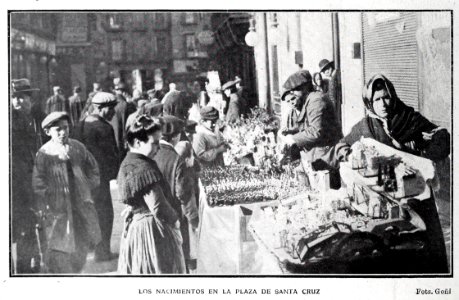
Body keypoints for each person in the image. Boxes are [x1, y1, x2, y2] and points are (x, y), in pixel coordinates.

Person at [327, 74, 450, 273]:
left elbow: (442, 137)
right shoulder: (365, 127)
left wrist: (424, 156)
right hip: (388, 198)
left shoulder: (408, 118)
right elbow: (341, 146)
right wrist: (351, 153)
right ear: (369, 102)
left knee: (426, 244)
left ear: (392, 97)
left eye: (386, 97)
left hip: (416, 193)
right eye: (377, 99)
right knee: (397, 245)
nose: (383, 103)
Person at [32, 112, 101, 273]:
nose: (63, 133)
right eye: (58, 130)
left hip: (80, 202)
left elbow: (93, 168)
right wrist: (47, 198)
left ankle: (78, 266)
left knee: (82, 236)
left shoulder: (77, 147)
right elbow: (38, 181)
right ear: (48, 132)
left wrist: (88, 186)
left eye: (65, 128)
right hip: (59, 206)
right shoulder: (44, 153)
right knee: (60, 242)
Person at [117, 115, 185, 274]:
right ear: (138, 143)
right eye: (154, 143)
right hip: (151, 230)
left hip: (137, 227)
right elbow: (158, 206)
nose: (158, 148)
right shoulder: (143, 168)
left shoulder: (128, 161)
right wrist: (175, 222)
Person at [75, 92, 119, 262]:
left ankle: (90, 250)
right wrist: (114, 174)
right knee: (104, 214)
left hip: (82, 179)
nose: (114, 112)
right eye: (111, 108)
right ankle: (103, 252)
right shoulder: (104, 128)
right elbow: (111, 155)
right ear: (100, 108)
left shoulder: (80, 124)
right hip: (99, 180)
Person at [281, 70, 342, 187]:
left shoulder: (316, 100)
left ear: (305, 87)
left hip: (327, 157)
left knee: (328, 194)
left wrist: (292, 139)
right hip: (319, 156)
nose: (293, 93)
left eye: (296, 90)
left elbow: (315, 131)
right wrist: (292, 131)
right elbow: (308, 126)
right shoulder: (309, 100)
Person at [153, 116, 199, 273]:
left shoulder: (151, 152)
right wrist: (194, 219)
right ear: (175, 136)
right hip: (174, 216)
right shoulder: (175, 159)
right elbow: (183, 194)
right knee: (178, 260)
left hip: (153, 215)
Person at [11, 78, 42, 273]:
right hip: (18, 183)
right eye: (14, 97)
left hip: (28, 179)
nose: (18, 102)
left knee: (28, 225)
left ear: (30, 99)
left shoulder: (30, 118)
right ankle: (21, 270)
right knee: (22, 226)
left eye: (22, 97)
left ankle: (30, 263)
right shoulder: (12, 121)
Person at [110, 82, 136, 160]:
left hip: (113, 139)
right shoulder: (127, 105)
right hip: (124, 139)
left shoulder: (110, 104)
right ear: (125, 92)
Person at [319, 58, 341, 124]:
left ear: (330, 68)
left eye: (325, 70)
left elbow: (332, 99)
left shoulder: (332, 80)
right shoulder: (337, 75)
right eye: (323, 71)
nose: (324, 73)